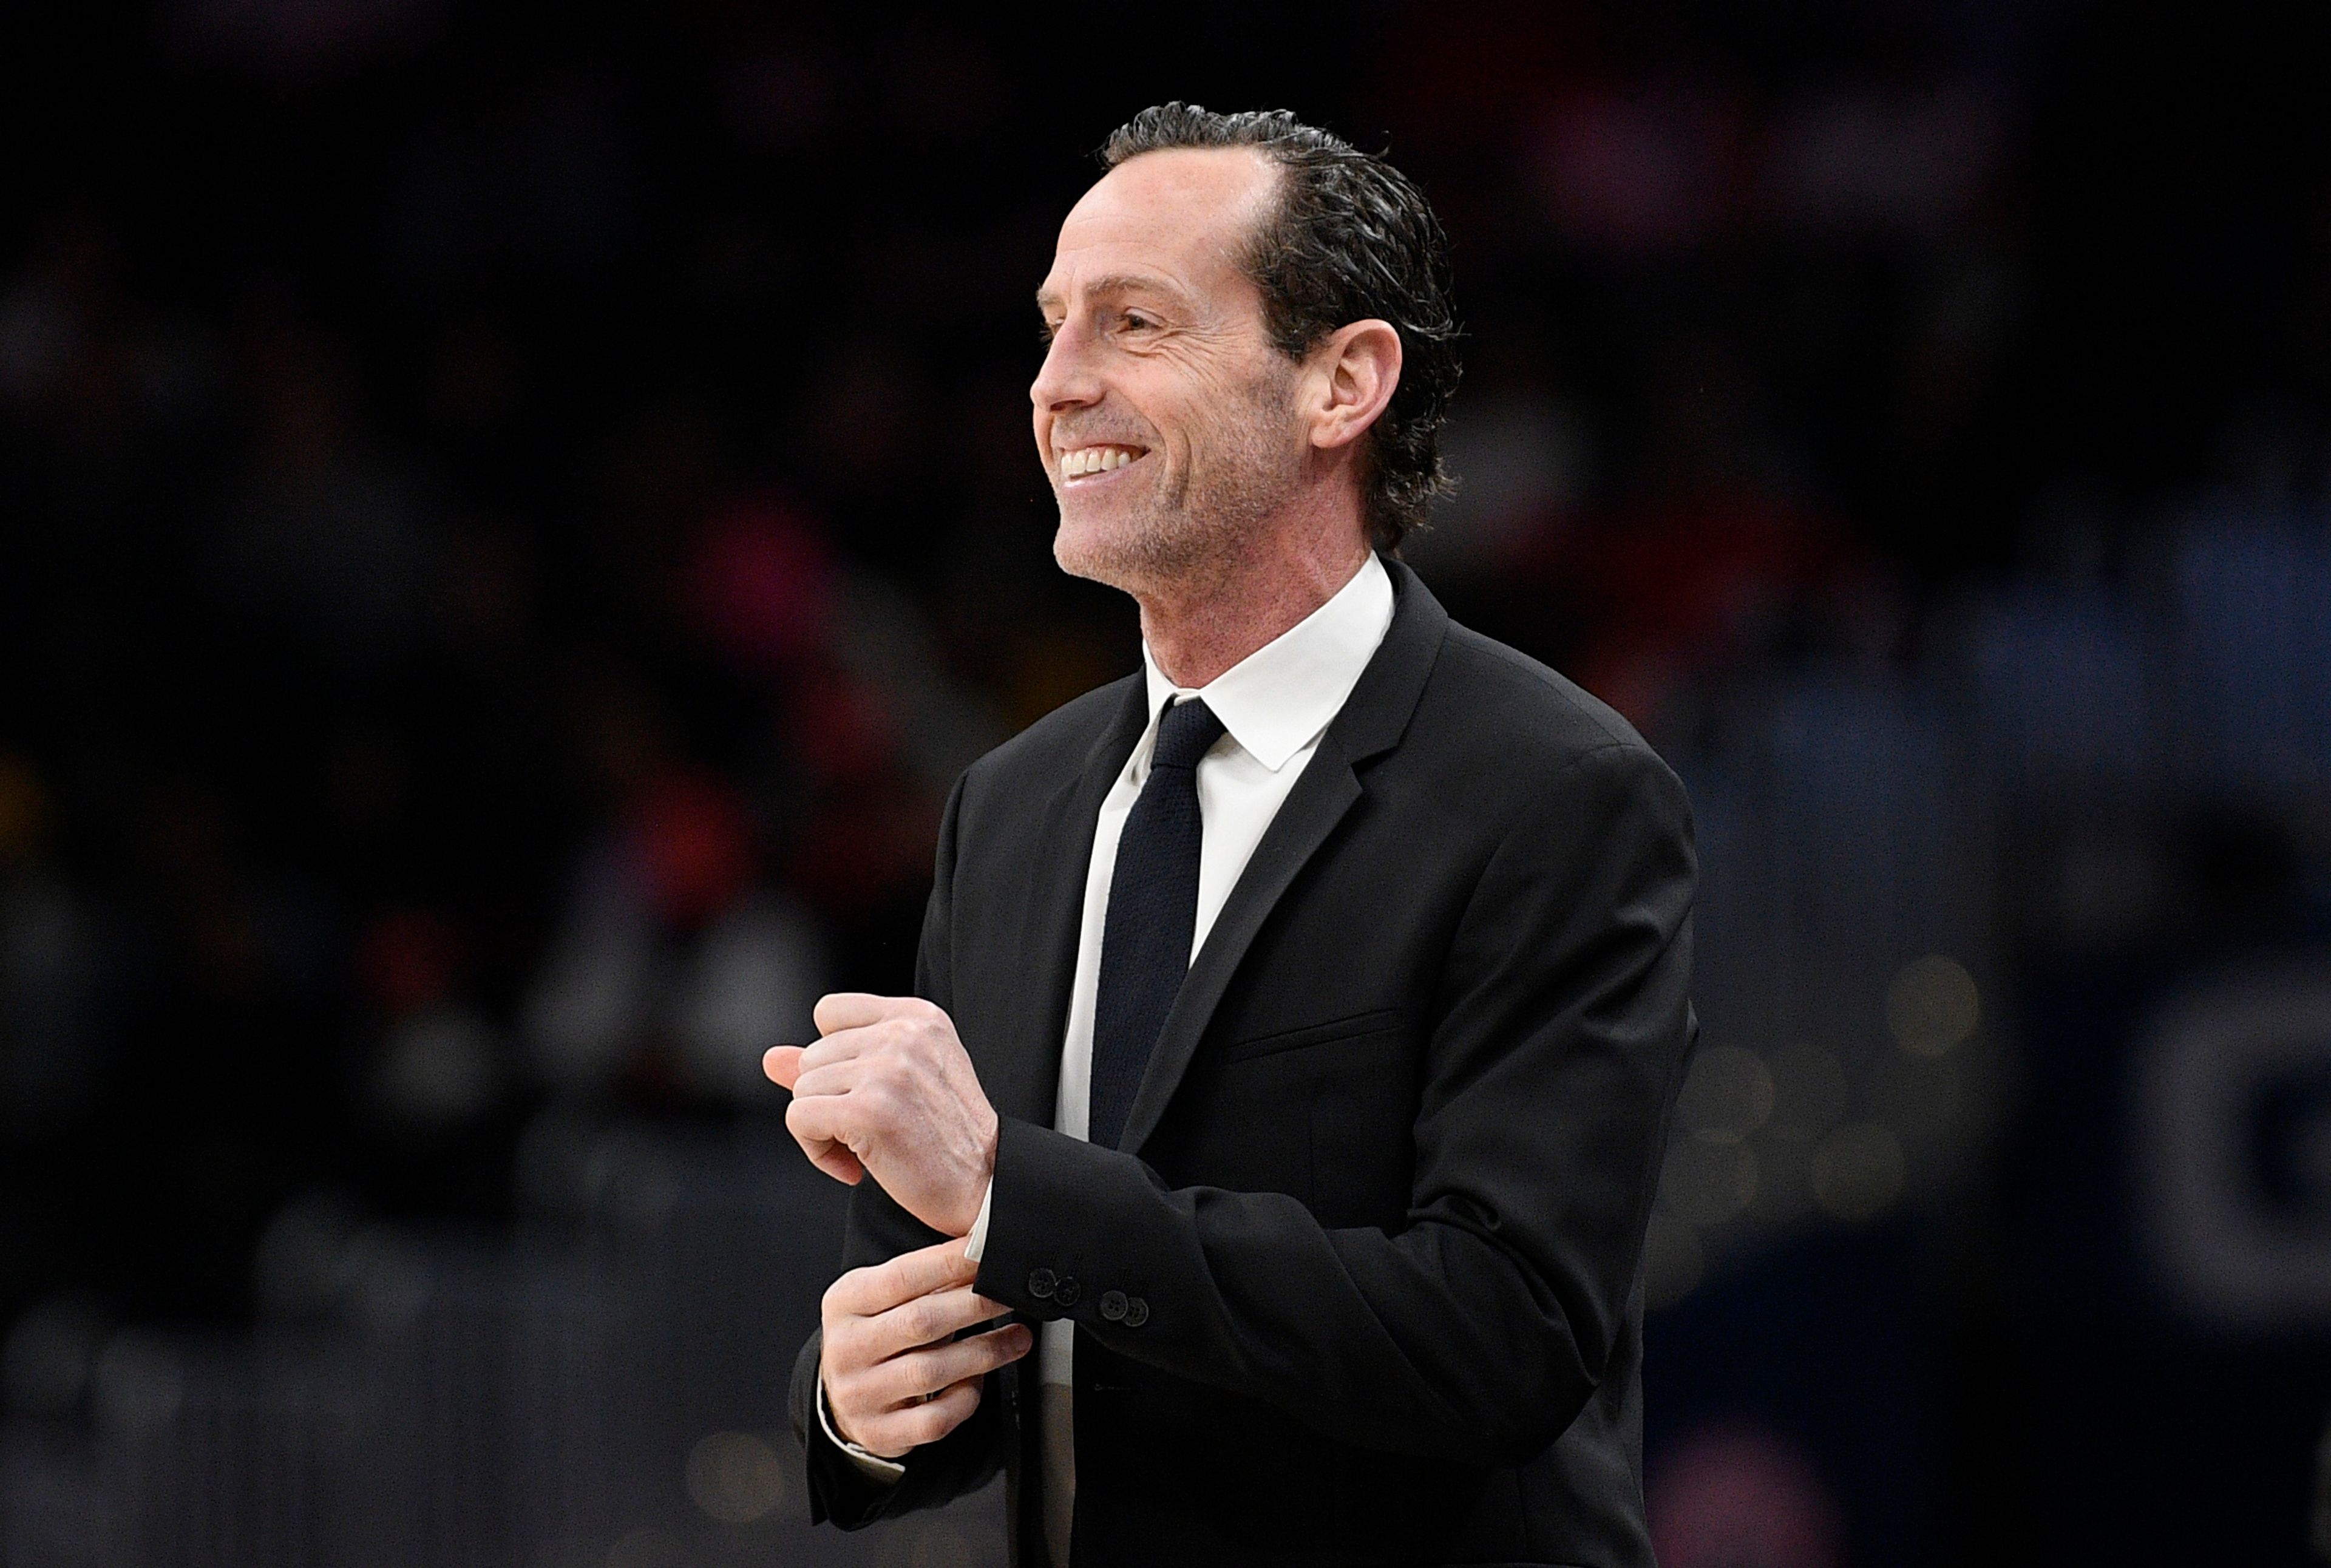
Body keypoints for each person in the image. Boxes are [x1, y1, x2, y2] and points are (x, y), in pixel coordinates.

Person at [765, 103, 1697, 1567]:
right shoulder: (1006, 811)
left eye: (1135, 323)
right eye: (1052, 325)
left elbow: (1504, 1335)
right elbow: (987, 1301)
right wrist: (869, 1408)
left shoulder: (1558, 791)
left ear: (1343, 381)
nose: (1058, 384)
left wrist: (1019, 1193)